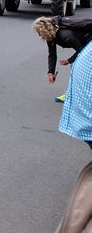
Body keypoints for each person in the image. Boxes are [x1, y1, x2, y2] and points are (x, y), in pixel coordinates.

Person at [33, 16, 92, 149]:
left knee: (78, 68)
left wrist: (69, 60)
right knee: (76, 67)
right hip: (82, 45)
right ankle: (72, 92)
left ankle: (75, 94)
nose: (38, 35)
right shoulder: (52, 35)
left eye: (38, 32)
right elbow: (52, 54)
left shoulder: (65, 35)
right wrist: (50, 72)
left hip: (88, 43)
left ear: (43, 31)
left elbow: (82, 50)